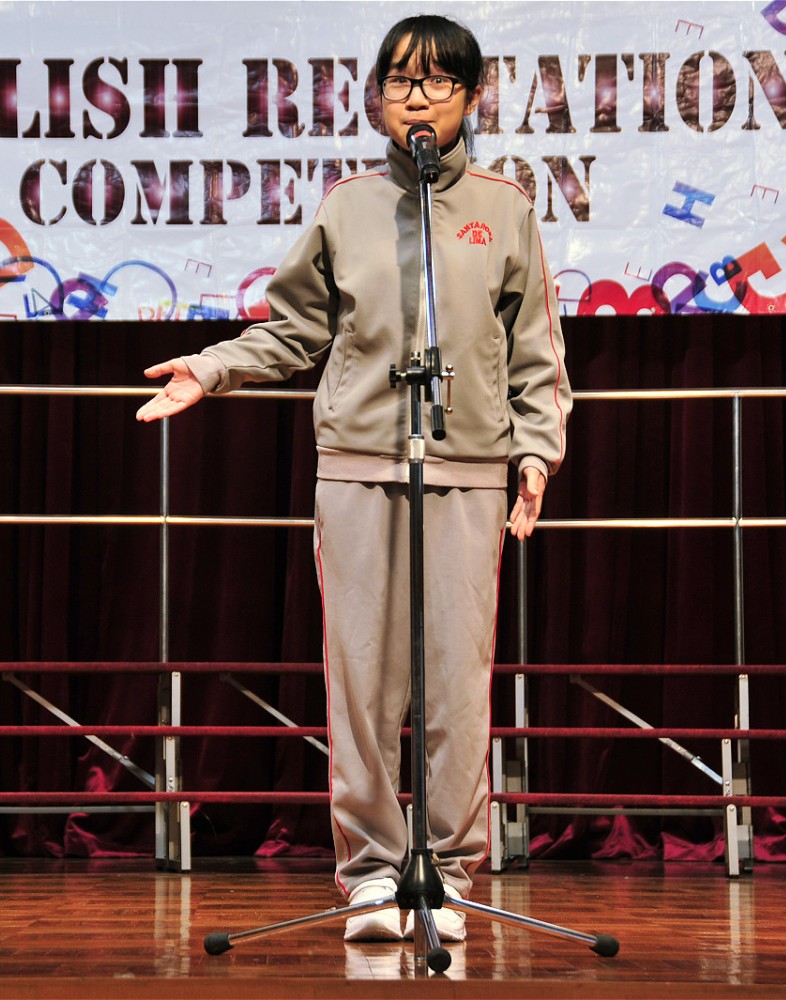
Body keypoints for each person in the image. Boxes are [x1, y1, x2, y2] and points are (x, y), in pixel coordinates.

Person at [136, 13, 570, 943]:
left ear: (471, 98)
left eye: (438, 81)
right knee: (362, 680)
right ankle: (373, 874)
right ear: (378, 98)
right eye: (401, 81)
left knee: (457, 684)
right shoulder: (347, 206)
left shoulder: (506, 207)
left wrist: (536, 452)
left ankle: (446, 872)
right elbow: (294, 327)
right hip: (359, 465)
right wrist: (211, 369)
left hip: (468, 469)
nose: (418, 98)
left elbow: (536, 351)